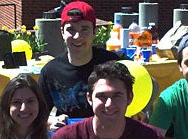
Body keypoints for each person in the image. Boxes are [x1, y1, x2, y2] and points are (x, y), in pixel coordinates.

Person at [38, 61, 175, 139]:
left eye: (117, 96)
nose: (109, 104)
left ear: (130, 98)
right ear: (89, 98)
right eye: (102, 96)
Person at [38, 1, 125, 130]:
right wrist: (51, 121)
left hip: (110, 138)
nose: (77, 36)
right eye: (71, 30)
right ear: (62, 32)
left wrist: (140, 109)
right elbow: (37, 114)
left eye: (84, 29)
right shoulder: (51, 71)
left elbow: (151, 85)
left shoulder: (113, 62)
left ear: (94, 31)